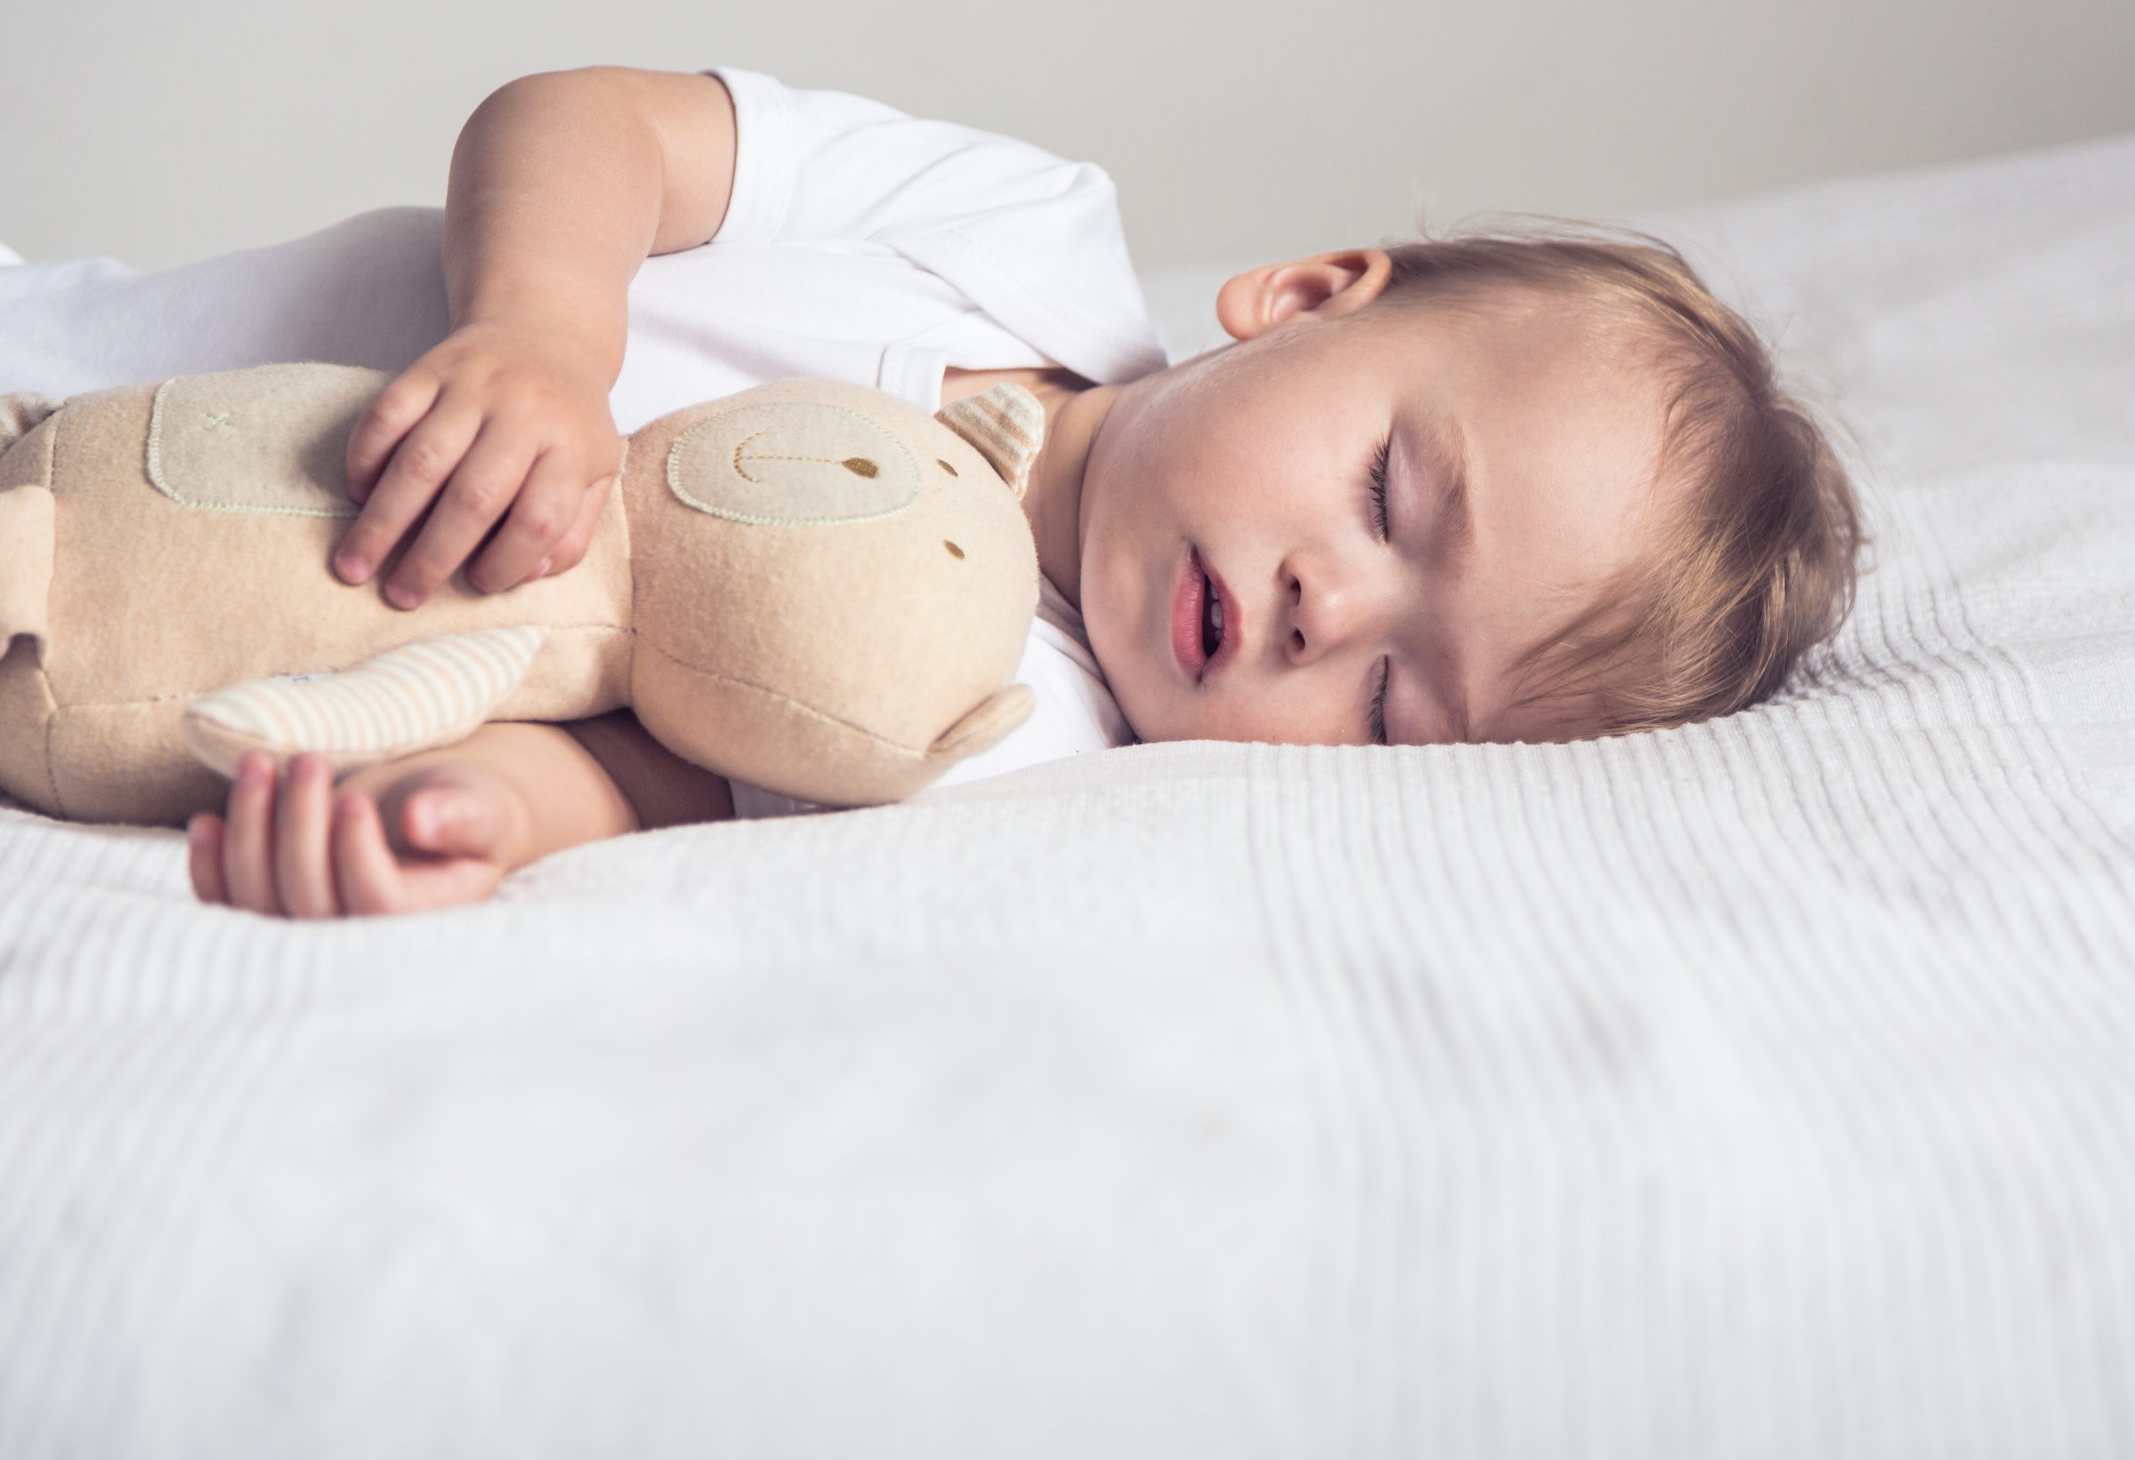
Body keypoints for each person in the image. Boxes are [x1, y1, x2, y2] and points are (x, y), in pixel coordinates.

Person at [0, 67, 1862, 919]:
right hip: (61, 360)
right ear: (1303, 297)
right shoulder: (1016, 238)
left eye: (1393, 706)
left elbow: (664, 772)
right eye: (1389, 491)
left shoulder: (1025, 735)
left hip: (112, 664)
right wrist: (542, 335)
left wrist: (472, 812)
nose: (1329, 609)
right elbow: (591, 122)